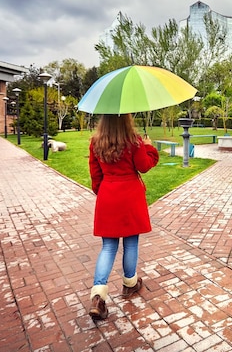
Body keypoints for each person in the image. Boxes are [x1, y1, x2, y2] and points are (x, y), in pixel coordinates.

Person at [87, 113, 159, 320]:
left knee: (108, 247)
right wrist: (148, 146)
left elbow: (95, 175)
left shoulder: (96, 142)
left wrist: (104, 192)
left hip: (108, 195)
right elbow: (144, 166)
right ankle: (130, 284)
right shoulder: (133, 141)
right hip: (130, 197)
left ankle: (98, 296)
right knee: (131, 243)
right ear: (126, 120)